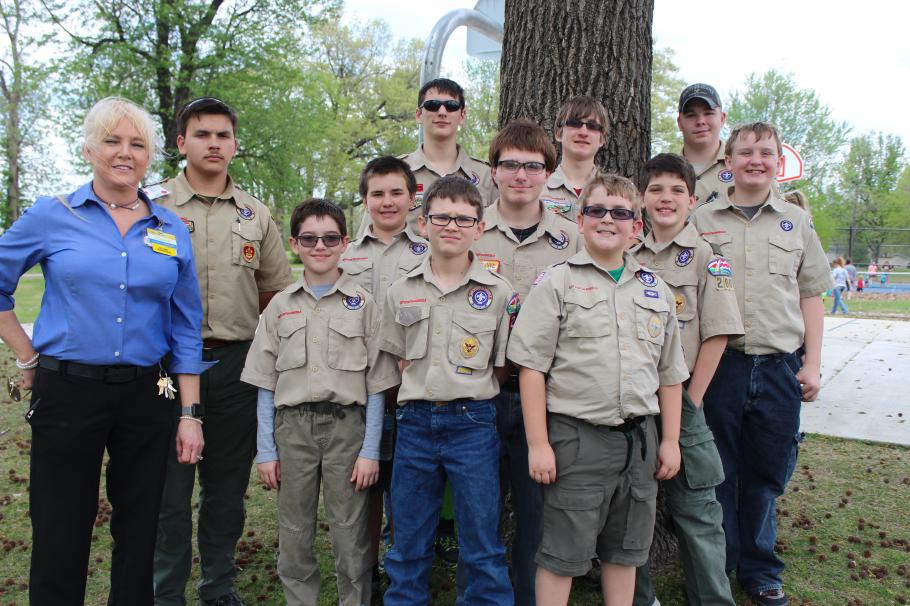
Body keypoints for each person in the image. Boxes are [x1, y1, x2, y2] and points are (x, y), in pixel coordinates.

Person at [0, 96, 208, 605]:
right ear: (90, 147)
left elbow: (186, 327)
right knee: (60, 525)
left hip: (147, 393)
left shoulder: (170, 229)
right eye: (112, 141)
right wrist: (27, 355)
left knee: (140, 530)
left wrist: (190, 413)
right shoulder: (54, 215)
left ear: (150, 156)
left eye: (137, 144)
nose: (124, 153)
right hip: (67, 391)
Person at [508, 173, 689, 606]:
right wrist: (538, 444)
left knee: (625, 550)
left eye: (621, 212)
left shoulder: (655, 290)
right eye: (596, 210)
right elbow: (531, 368)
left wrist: (670, 440)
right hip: (576, 439)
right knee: (561, 553)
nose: (608, 219)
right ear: (581, 219)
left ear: (636, 227)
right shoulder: (557, 282)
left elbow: (669, 373)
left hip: (639, 442)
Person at [152, 97, 294, 606]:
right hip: (164, 370)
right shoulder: (152, 204)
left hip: (235, 365)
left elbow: (274, 294)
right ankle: (164, 593)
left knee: (226, 490)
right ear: (181, 142)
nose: (213, 143)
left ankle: (219, 588)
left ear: (235, 144)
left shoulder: (255, 214)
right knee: (168, 493)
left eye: (223, 135)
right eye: (202, 133)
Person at [692, 123, 833, 606]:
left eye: (766, 153)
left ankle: (760, 568)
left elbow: (811, 294)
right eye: (746, 152)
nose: (756, 160)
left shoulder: (795, 224)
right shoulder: (701, 219)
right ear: (726, 162)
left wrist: (812, 364)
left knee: (768, 473)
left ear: (779, 162)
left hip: (779, 367)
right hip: (722, 366)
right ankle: (722, 561)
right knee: (719, 469)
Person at [241, 199, 400, 605]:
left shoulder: (363, 305)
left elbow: (378, 385)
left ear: (345, 242)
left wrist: (369, 452)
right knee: (294, 530)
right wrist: (265, 450)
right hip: (292, 430)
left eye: (330, 237)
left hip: (348, 429)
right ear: (294, 243)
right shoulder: (279, 306)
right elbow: (264, 383)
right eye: (309, 238)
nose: (320, 246)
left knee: (350, 530)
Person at [379, 176, 515, 606]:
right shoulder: (400, 291)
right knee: (407, 542)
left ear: (480, 227)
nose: (451, 226)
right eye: (441, 217)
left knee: (481, 541)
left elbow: (503, 365)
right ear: (423, 224)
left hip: (473, 424)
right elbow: (395, 360)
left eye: (463, 219)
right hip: (415, 424)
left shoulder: (498, 293)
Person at [472, 117, 581, 604]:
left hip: (548, 396)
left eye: (532, 166)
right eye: (510, 164)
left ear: (548, 172)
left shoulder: (572, 240)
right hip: (479, 392)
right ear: (493, 171)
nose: (521, 174)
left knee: (539, 511)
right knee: (481, 512)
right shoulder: (469, 233)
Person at [632, 153, 743, 606]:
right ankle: (638, 598)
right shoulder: (626, 252)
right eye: (656, 189)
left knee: (698, 510)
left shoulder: (706, 259)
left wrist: (691, 399)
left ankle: (712, 599)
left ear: (692, 199)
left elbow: (717, 333)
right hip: (634, 404)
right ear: (642, 198)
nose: (666, 198)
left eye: (677, 190)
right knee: (632, 509)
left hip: (686, 405)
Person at [339, 156, 429, 591]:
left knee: (408, 488)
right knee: (365, 486)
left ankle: (407, 572)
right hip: (357, 387)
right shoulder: (345, 253)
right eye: (377, 193)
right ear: (365, 200)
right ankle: (366, 571)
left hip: (411, 387)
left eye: (397, 192)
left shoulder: (430, 250)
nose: (388, 202)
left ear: (413, 198)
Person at [357, 77, 496, 239]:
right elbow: (367, 240)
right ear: (418, 115)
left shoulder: (486, 175)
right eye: (432, 106)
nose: (442, 112)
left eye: (451, 106)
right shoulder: (391, 173)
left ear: (462, 116)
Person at [539, 95, 609, 218]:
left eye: (592, 126)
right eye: (574, 123)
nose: (583, 132)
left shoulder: (617, 192)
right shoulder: (537, 189)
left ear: (602, 139)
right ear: (558, 133)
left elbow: (632, 236)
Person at [677, 83, 731, 207]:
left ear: (722, 118)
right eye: (691, 115)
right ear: (680, 122)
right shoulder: (663, 171)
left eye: (708, 113)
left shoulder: (743, 166)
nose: (700, 121)